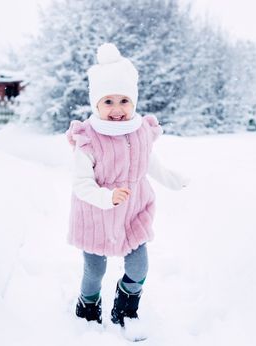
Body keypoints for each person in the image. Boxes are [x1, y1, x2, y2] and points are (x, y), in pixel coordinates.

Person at [65, 43, 188, 328]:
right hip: (96, 214)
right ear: (96, 103)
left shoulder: (141, 130)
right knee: (95, 270)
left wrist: (173, 180)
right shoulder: (88, 138)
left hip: (133, 212)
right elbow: (81, 184)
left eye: (124, 101)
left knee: (139, 266)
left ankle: (126, 304)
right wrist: (107, 197)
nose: (117, 109)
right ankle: (88, 304)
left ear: (133, 101)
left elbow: (149, 162)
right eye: (108, 102)